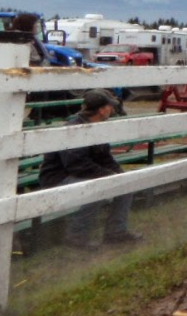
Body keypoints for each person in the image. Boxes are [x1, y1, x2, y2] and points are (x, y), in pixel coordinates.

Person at [39, 93, 141, 248]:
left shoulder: (97, 127)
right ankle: (76, 236)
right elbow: (76, 165)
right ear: (101, 110)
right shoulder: (74, 128)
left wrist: (119, 174)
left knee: (126, 186)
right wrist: (107, 175)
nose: (112, 109)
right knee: (95, 190)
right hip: (58, 178)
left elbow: (104, 158)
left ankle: (116, 232)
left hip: (77, 173)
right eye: (109, 106)